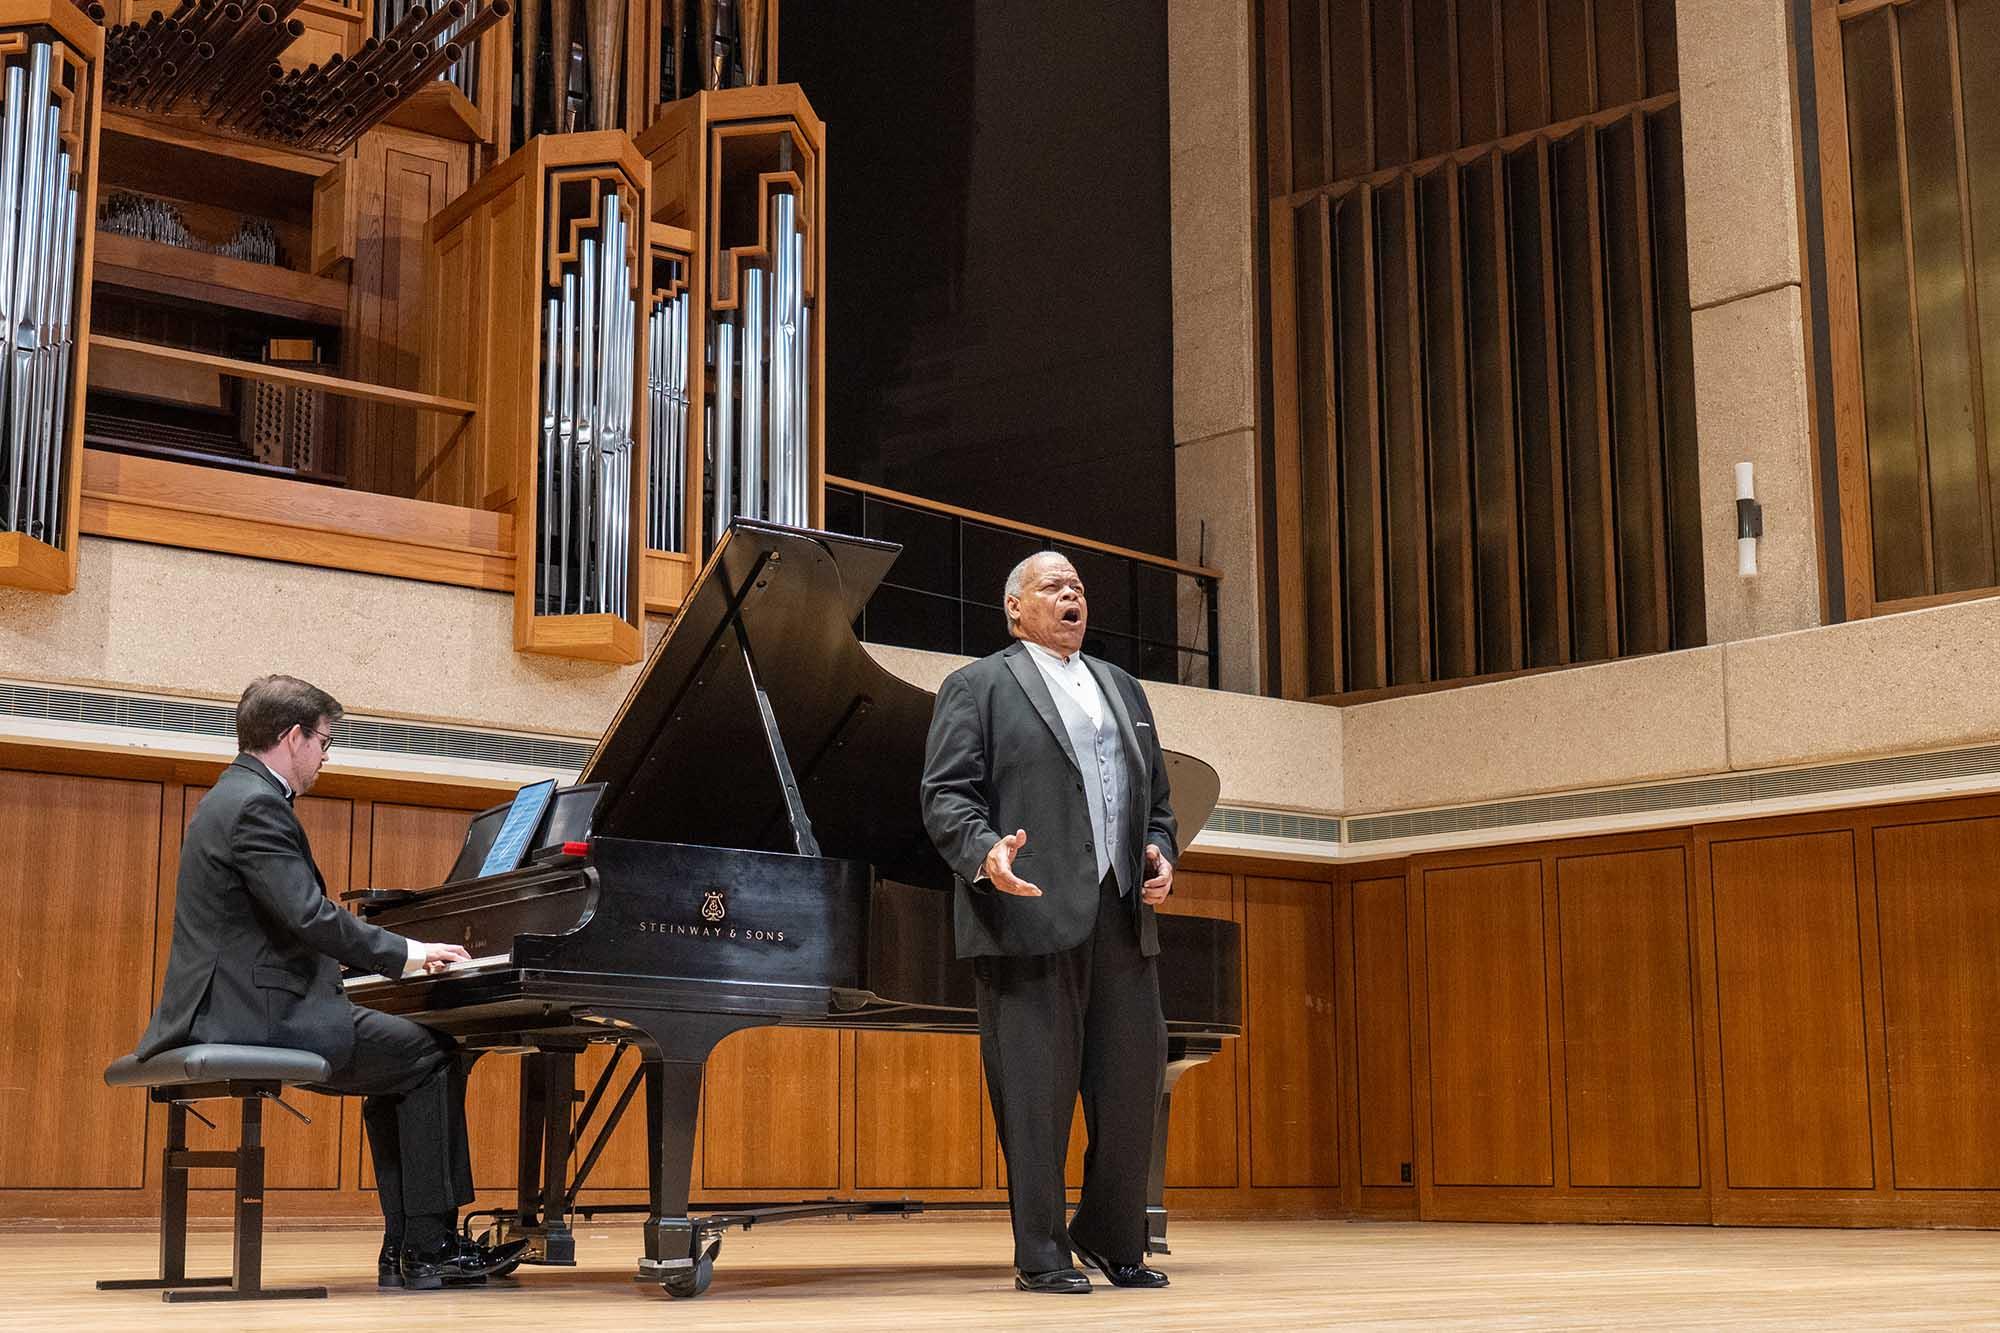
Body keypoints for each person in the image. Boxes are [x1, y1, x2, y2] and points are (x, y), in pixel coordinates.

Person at [135, 674, 526, 1291]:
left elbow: (279, 922)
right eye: (323, 742)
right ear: (292, 737)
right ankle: (425, 1246)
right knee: (430, 1054)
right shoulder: (258, 805)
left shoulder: (228, 796)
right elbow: (309, 916)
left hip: (231, 1003)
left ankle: (407, 1249)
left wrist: (368, 963)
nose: (324, 756)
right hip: (256, 1013)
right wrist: (408, 953)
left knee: (401, 1059)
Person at [921, 550, 1177, 1294]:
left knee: (1132, 1082)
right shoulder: (978, 686)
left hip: (1123, 912)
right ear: (1015, 607)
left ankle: (1111, 1235)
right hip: (1026, 911)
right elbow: (946, 795)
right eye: (1054, 586)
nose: (1073, 595)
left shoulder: (1123, 687)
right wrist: (984, 851)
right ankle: (1040, 1251)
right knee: (1035, 1093)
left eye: (1079, 587)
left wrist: (1160, 850)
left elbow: (1156, 797)